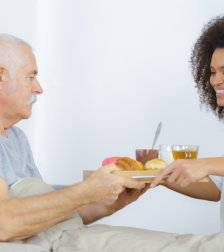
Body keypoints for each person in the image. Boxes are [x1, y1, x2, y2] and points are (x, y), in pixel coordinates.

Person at [0, 33, 148, 241]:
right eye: (30, 77)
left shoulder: (17, 139)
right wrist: (87, 190)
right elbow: (3, 224)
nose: (39, 88)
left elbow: (49, 216)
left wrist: (111, 202)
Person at [151, 10, 224, 231]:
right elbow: (220, 190)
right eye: (213, 72)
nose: (216, 80)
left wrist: (203, 164)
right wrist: (157, 175)